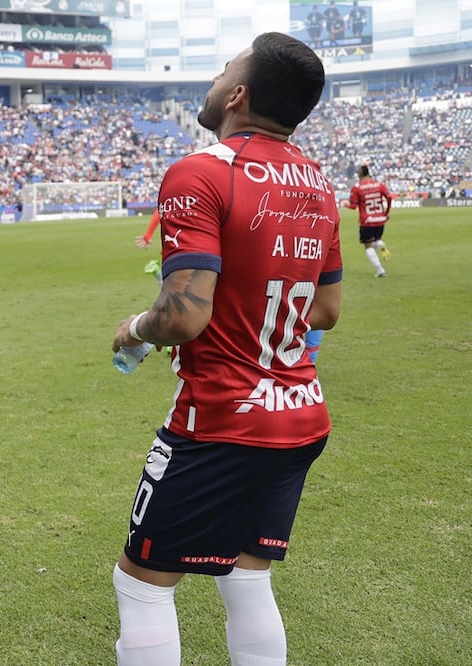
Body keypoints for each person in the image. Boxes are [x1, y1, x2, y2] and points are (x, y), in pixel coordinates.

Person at [110, 33, 342, 665]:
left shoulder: (201, 171)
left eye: (221, 72)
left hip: (220, 420)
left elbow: (182, 317)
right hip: (300, 414)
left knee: (141, 586)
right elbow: (324, 311)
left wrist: (133, 329)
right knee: (245, 576)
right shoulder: (320, 184)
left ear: (238, 94)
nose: (212, 82)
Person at [343, 164, 392, 278]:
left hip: (367, 220)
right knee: (375, 241)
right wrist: (386, 213)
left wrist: (346, 205)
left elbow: (354, 206)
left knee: (368, 246)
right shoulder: (379, 184)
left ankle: (380, 270)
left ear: (359, 174)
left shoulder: (357, 187)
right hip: (380, 219)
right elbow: (389, 197)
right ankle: (379, 243)